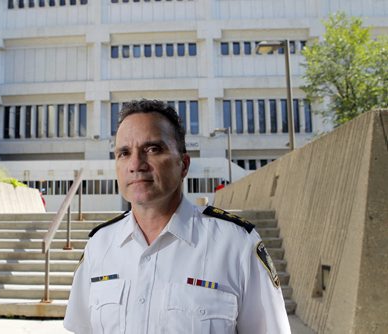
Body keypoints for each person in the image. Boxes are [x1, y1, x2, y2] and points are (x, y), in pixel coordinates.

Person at [63, 99, 291, 333]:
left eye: (152, 149)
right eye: (124, 152)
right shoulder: (99, 245)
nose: (135, 164)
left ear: (183, 165)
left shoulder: (237, 244)